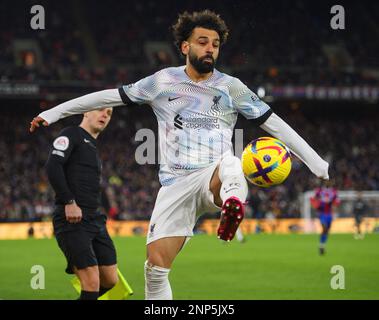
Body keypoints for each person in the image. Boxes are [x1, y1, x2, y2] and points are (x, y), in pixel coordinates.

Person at [30, 10, 329, 300]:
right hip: (175, 184)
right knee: (155, 269)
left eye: (215, 44)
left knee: (232, 162)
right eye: (202, 42)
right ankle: (230, 203)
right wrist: (54, 113)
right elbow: (109, 96)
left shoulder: (231, 88)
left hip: (214, 178)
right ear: (185, 46)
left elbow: (271, 122)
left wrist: (315, 162)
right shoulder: (162, 82)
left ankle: (233, 203)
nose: (210, 48)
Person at [45, 107, 118, 300]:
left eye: (109, 113)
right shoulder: (71, 134)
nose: (105, 115)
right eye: (101, 110)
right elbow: (53, 165)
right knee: (91, 283)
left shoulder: (93, 146)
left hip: (95, 219)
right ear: (86, 112)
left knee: (110, 280)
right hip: (72, 220)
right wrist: (69, 201)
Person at [311, 180, 339, 255]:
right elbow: (314, 199)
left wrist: (334, 208)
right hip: (322, 213)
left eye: (329, 181)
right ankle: (321, 245)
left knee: (326, 231)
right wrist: (318, 204)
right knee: (324, 228)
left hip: (329, 214)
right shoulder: (319, 191)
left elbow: (337, 202)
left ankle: (322, 245)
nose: (328, 182)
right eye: (326, 181)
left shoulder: (333, 191)